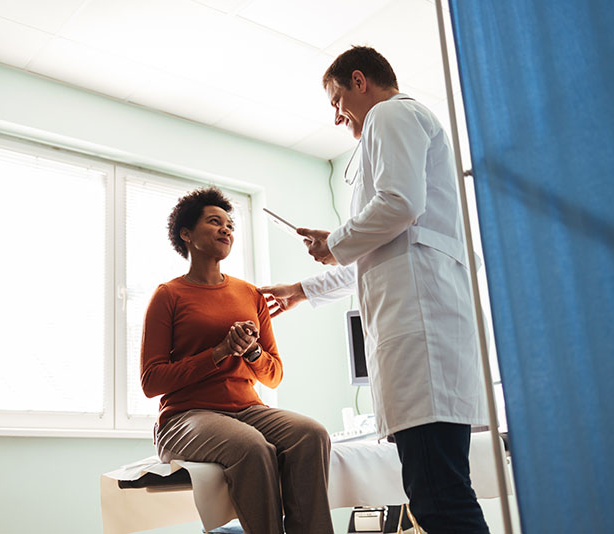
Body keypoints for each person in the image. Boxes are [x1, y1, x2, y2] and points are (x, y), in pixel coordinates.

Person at [259, 46, 490, 534]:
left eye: (337, 99)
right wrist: (303, 288)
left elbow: (399, 204)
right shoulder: (389, 133)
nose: (337, 115)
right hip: (418, 339)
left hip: (421, 338)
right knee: (439, 496)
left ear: (359, 80)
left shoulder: (391, 113)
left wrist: (336, 241)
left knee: (441, 503)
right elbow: (376, 249)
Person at [141, 187, 334, 534]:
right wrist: (217, 353)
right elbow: (151, 382)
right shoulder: (168, 295)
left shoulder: (250, 294)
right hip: (186, 416)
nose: (226, 229)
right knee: (251, 446)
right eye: (214, 222)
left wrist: (251, 352)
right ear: (186, 234)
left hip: (247, 409)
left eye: (230, 224)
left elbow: (273, 376)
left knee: (312, 434)